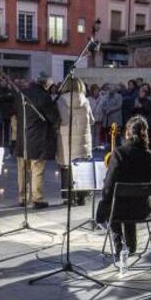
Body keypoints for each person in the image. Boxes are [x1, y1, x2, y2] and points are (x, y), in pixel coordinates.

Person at [97, 114, 151, 256]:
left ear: (127, 133)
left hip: (120, 209)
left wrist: (104, 204)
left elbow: (108, 186)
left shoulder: (119, 153)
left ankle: (119, 244)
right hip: (142, 209)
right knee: (129, 198)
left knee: (111, 202)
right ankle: (131, 245)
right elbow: (150, 182)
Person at [13, 72, 59, 209]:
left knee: (22, 170)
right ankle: (37, 199)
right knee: (37, 170)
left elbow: (16, 113)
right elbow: (54, 118)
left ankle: (22, 198)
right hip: (38, 138)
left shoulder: (21, 94)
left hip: (22, 138)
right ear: (46, 84)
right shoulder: (44, 96)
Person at [56, 75, 94, 206]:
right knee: (81, 168)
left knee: (67, 168)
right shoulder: (86, 100)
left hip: (67, 140)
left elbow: (63, 120)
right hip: (84, 142)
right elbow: (92, 120)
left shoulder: (61, 100)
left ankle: (69, 198)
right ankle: (82, 197)